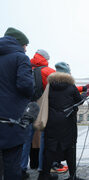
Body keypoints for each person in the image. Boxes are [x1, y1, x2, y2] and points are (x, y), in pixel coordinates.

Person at [38, 62, 84, 180]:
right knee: (70, 148)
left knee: (49, 148)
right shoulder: (71, 87)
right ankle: (72, 176)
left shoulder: (50, 85)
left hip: (52, 122)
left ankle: (45, 175)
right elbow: (79, 101)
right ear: (67, 73)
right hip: (68, 122)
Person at [0, 27, 33, 179]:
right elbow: (25, 85)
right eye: (26, 45)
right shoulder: (20, 57)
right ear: (20, 43)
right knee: (12, 164)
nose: (26, 49)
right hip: (11, 121)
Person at [21, 49, 56, 179]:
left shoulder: (26, 68)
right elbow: (60, 86)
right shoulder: (48, 71)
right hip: (42, 108)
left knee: (25, 140)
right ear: (46, 58)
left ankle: (21, 169)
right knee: (43, 139)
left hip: (26, 108)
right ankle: (43, 170)